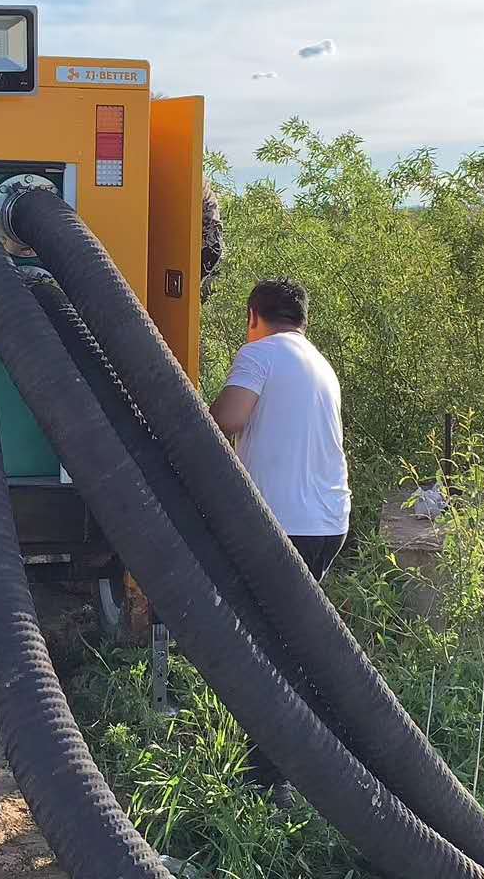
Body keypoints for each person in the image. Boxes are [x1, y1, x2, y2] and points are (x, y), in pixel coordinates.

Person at [207, 278, 350, 804]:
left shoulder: (260, 353)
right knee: (289, 638)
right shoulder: (321, 365)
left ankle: (270, 778)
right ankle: (283, 762)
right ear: (303, 320)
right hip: (328, 523)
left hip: (283, 525)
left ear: (253, 316)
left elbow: (225, 419)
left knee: (271, 647)